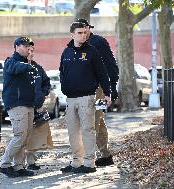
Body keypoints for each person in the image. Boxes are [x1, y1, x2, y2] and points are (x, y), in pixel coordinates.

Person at [59, 22, 111, 174]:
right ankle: (77, 162)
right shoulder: (66, 52)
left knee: (89, 129)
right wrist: (64, 88)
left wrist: (108, 93)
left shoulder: (93, 50)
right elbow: (62, 72)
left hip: (88, 98)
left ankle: (89, 163)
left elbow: (103, 73)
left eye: (85, 32)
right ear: (72, 34)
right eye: (80, 32)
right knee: (73, 131)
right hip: (70, 99)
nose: (84, 35)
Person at [76, 18, 119, 166]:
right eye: (79, 30)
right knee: (98, 121)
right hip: (86, 90)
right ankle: (105, 155)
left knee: (93, 120)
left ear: (89, 28)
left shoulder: (98, 42)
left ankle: (87, 158)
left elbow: (111, 65)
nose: (83, 32)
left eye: (84, 29)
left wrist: (112, 88)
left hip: (99, 89)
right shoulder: (79, 45)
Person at [0, 36, 37, 178]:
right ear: (16, 47)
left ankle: (19, 166)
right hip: (17, 104)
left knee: (25, 137)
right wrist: (28, 65)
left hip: (28, 104)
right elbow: (15, 68)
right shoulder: (11, 61)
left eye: (29, 46)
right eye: (25, 45)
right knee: (19, 136)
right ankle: (5, 164)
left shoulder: (28, 64)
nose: (28, 48)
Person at [25, 42, 52, 170]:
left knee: (34, 135)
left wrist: (43, 93)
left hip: (37, 106)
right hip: (23, 107)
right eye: (28, 50)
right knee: (22, 135)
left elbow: (47, 83)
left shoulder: (38, 68)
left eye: (32, 51)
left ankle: (31, 162)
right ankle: (17, 163)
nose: (30, 53)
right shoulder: (18, 67)